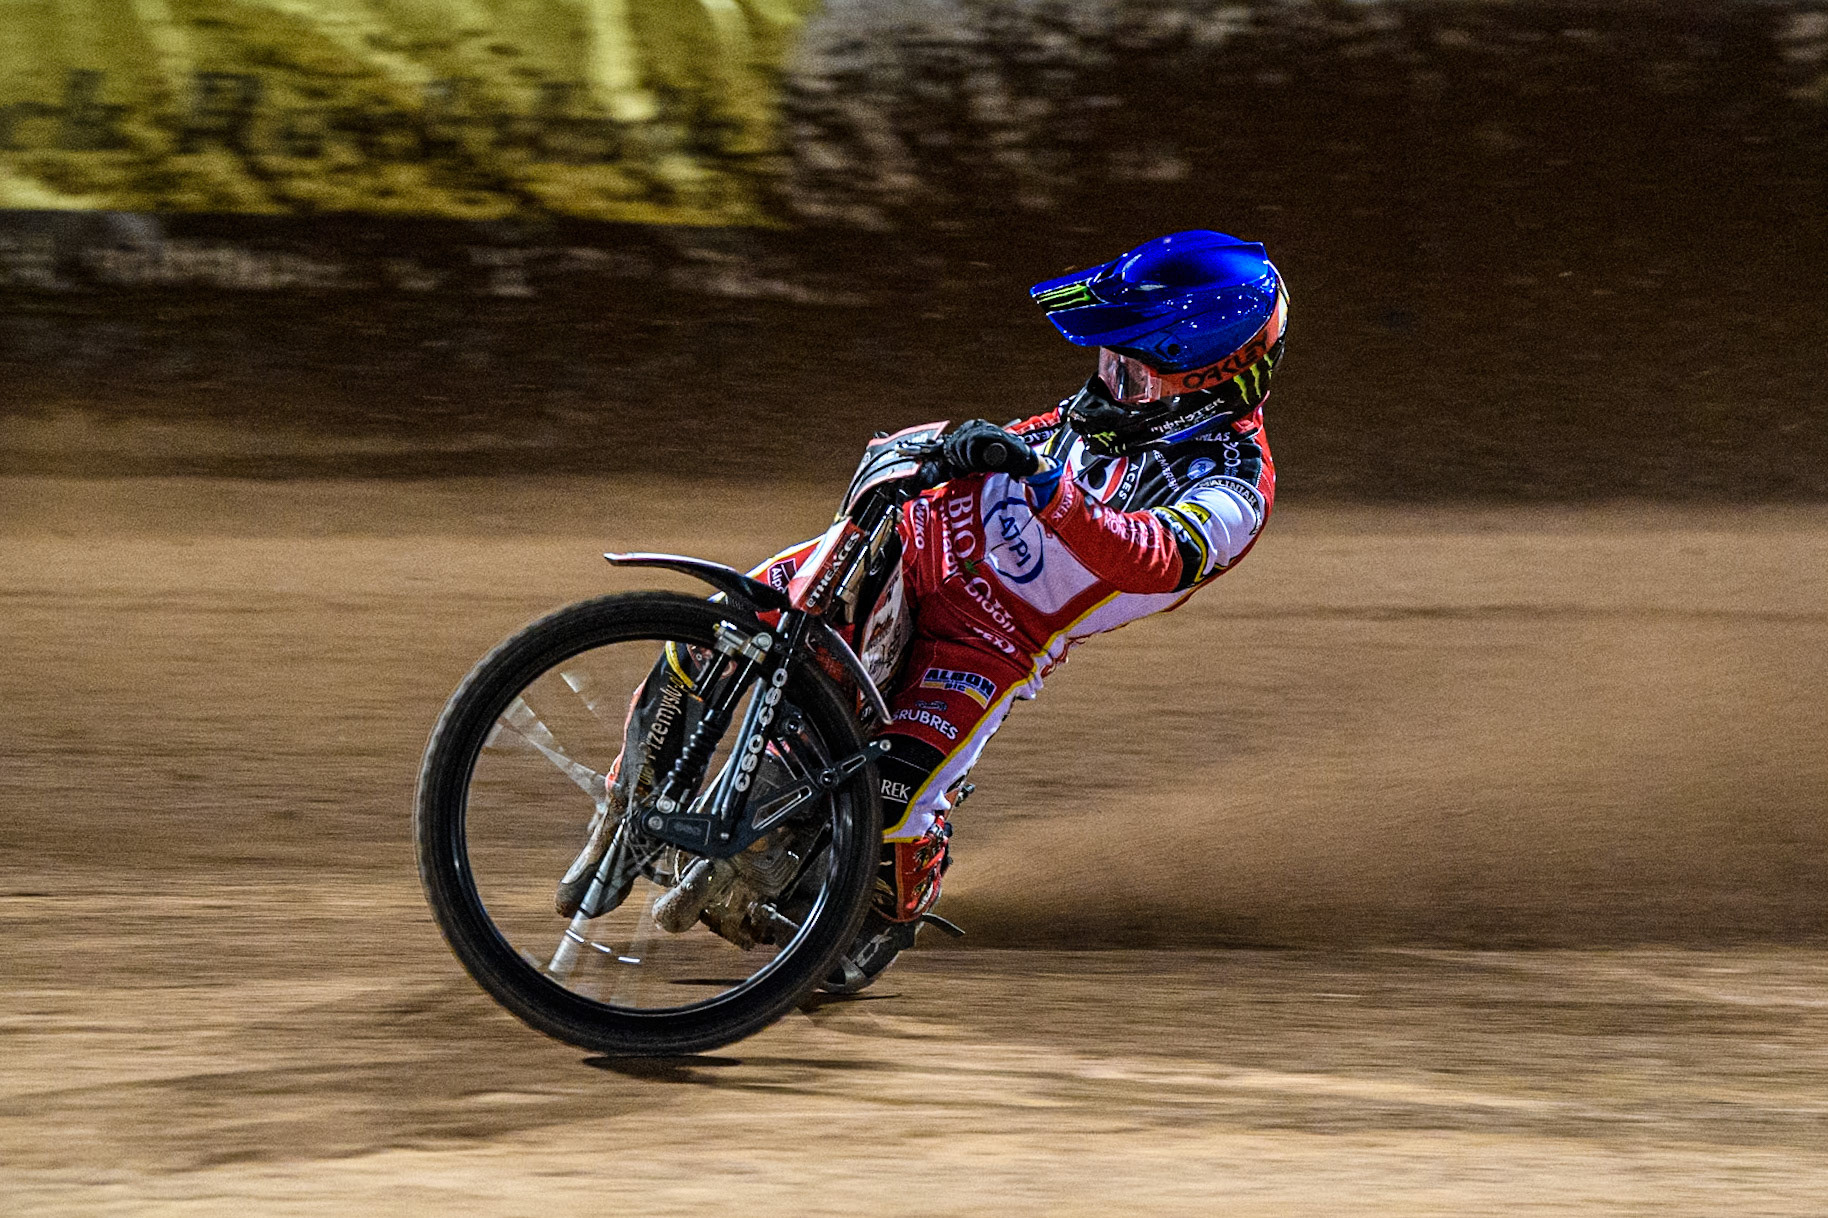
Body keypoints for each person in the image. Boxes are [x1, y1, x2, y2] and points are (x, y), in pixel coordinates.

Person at [561, 229, 1285, 989]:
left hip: (990, 643)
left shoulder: (1237, 489)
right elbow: (1033, 437)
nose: (1106, 385)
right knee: (717, 632)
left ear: (1207, 381)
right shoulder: (1119, 406)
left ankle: (886, 900)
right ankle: (626, 810)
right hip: (911, 545)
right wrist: (959, 444)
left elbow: (1152, 557)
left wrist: (1049, 490)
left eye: (1130, 373)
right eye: (1107, 361)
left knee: (884, 806)